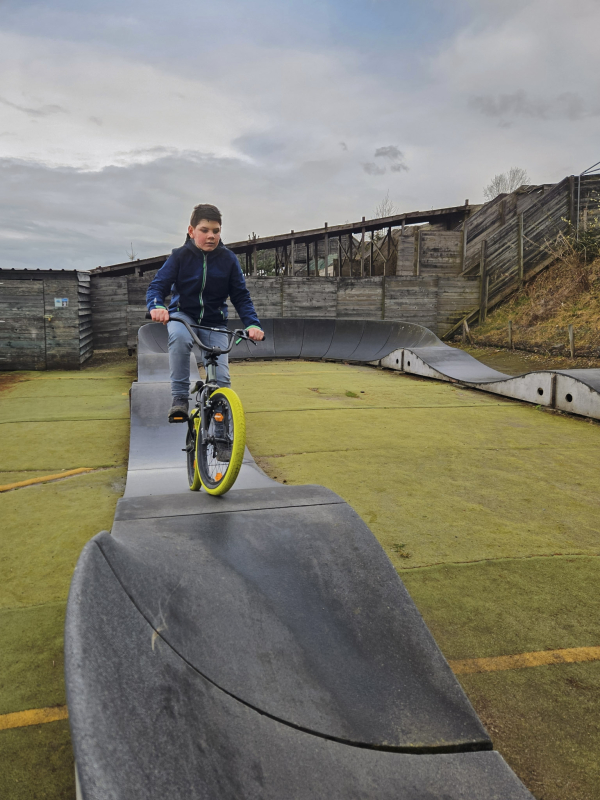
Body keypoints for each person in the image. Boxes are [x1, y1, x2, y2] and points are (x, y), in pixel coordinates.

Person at [146, 203, 264, 423]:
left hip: (214, 322)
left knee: (222, 381)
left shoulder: (228, 260)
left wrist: (253, 324)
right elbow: (157, 287)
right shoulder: (179, 256)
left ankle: (221, 435)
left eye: (216, 231)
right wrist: (157, 307)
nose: (211, 236)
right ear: (191, 231)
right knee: (179, 338)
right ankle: (180, 397)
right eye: (205, 230)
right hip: (183, 316)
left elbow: (240, 295)